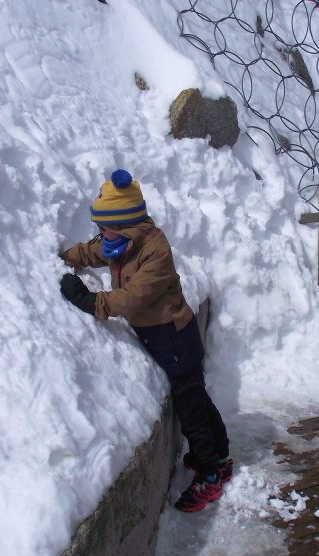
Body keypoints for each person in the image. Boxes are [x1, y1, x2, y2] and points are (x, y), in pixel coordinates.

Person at [58, 169, 232, 512]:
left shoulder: (155, 251)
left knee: (192, 408)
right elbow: (95, 251)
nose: (99, 233)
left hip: (175, 339)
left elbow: (132, 297)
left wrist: (91, 301)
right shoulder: (119, 241)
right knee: (196, 399)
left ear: (122, 225)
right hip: (163, 337)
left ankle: (210, 476)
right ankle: (220, 458)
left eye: (103, 226)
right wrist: (65, 258)